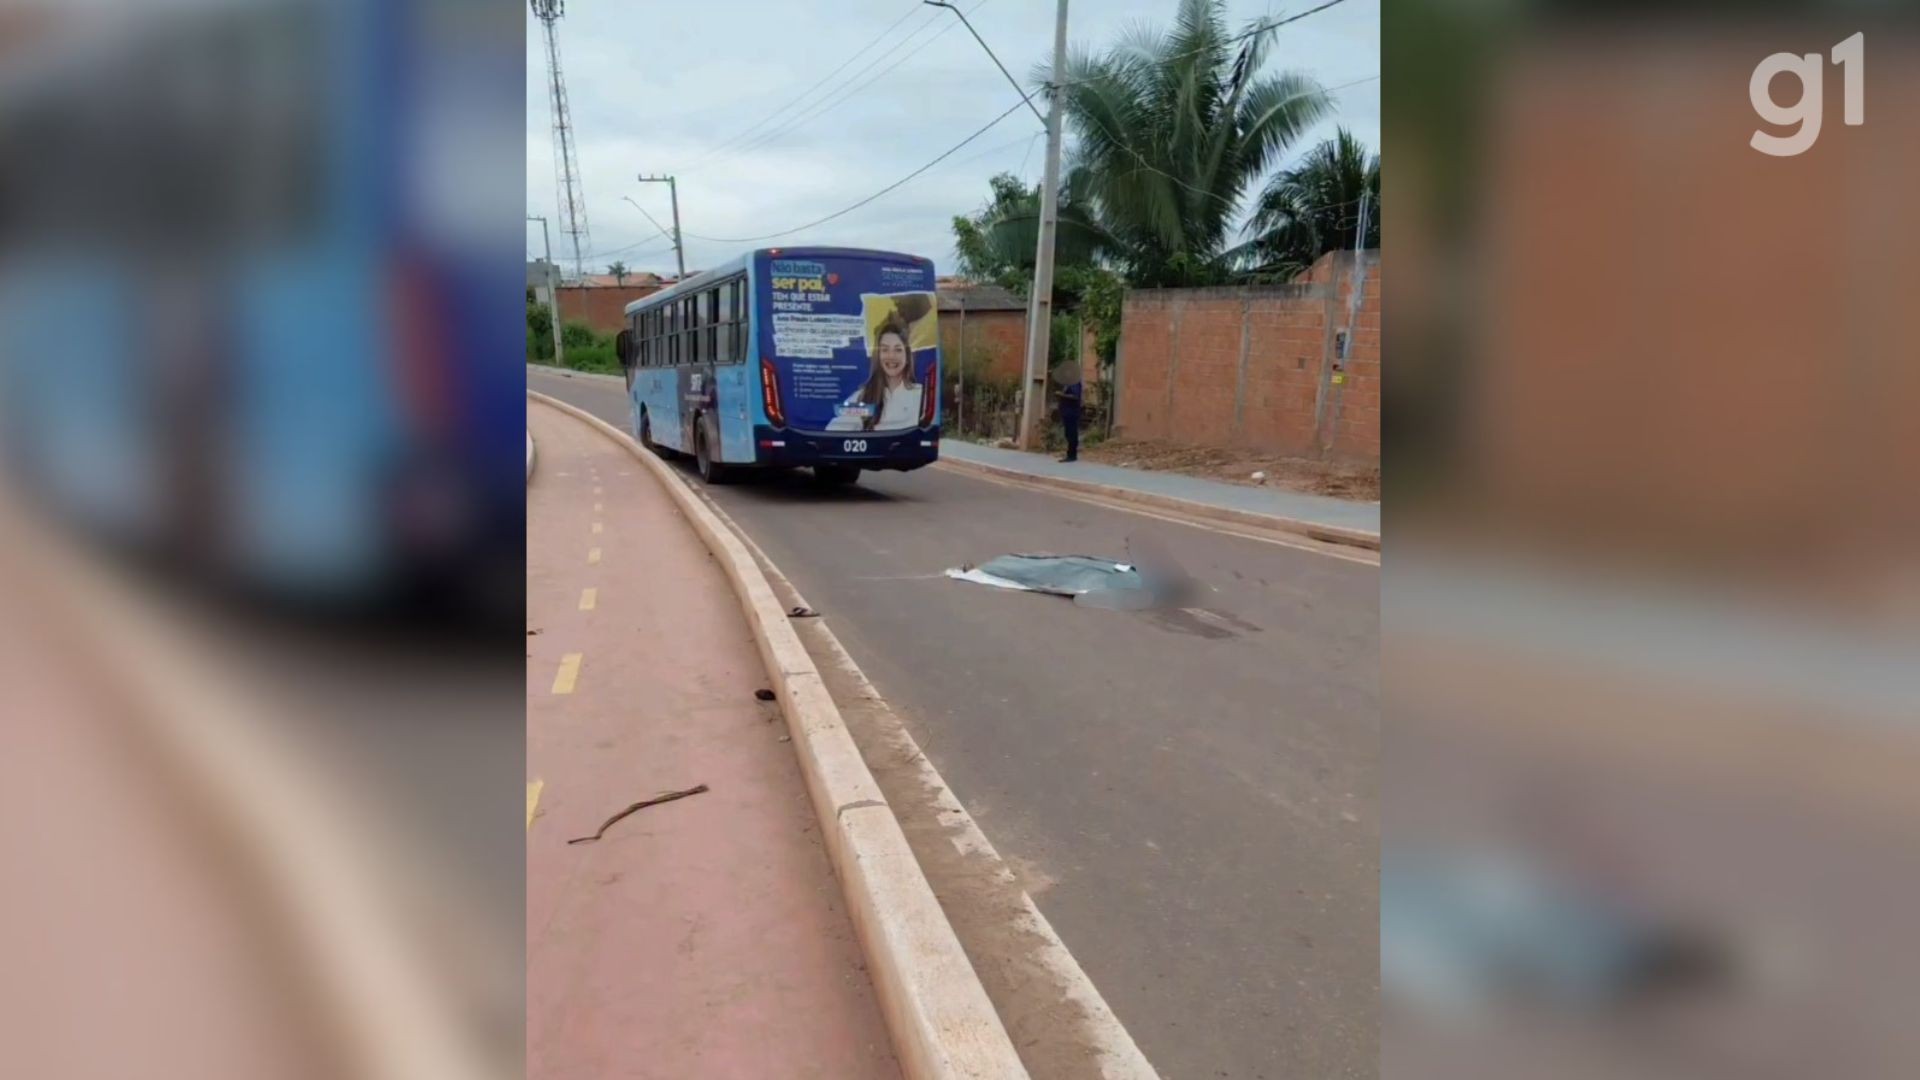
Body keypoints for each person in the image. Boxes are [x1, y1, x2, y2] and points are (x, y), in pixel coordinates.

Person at [827, 312, 923, 432]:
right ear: (878, 356)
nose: (891, 356)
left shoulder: (921, 395)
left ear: (907, 357)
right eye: (885, 349)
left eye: (898, 350)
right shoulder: (862, 397)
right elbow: (834, 430)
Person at [1056, 374, 1083, 462]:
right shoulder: (1068, 383)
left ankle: (1072, 455)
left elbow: (1075, 397)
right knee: (1068, 433)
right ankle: (1070, 454)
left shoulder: (1074, 383)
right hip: (1067, 412)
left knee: (1072, 434)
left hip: (1071, 412)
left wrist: (1061, 395)